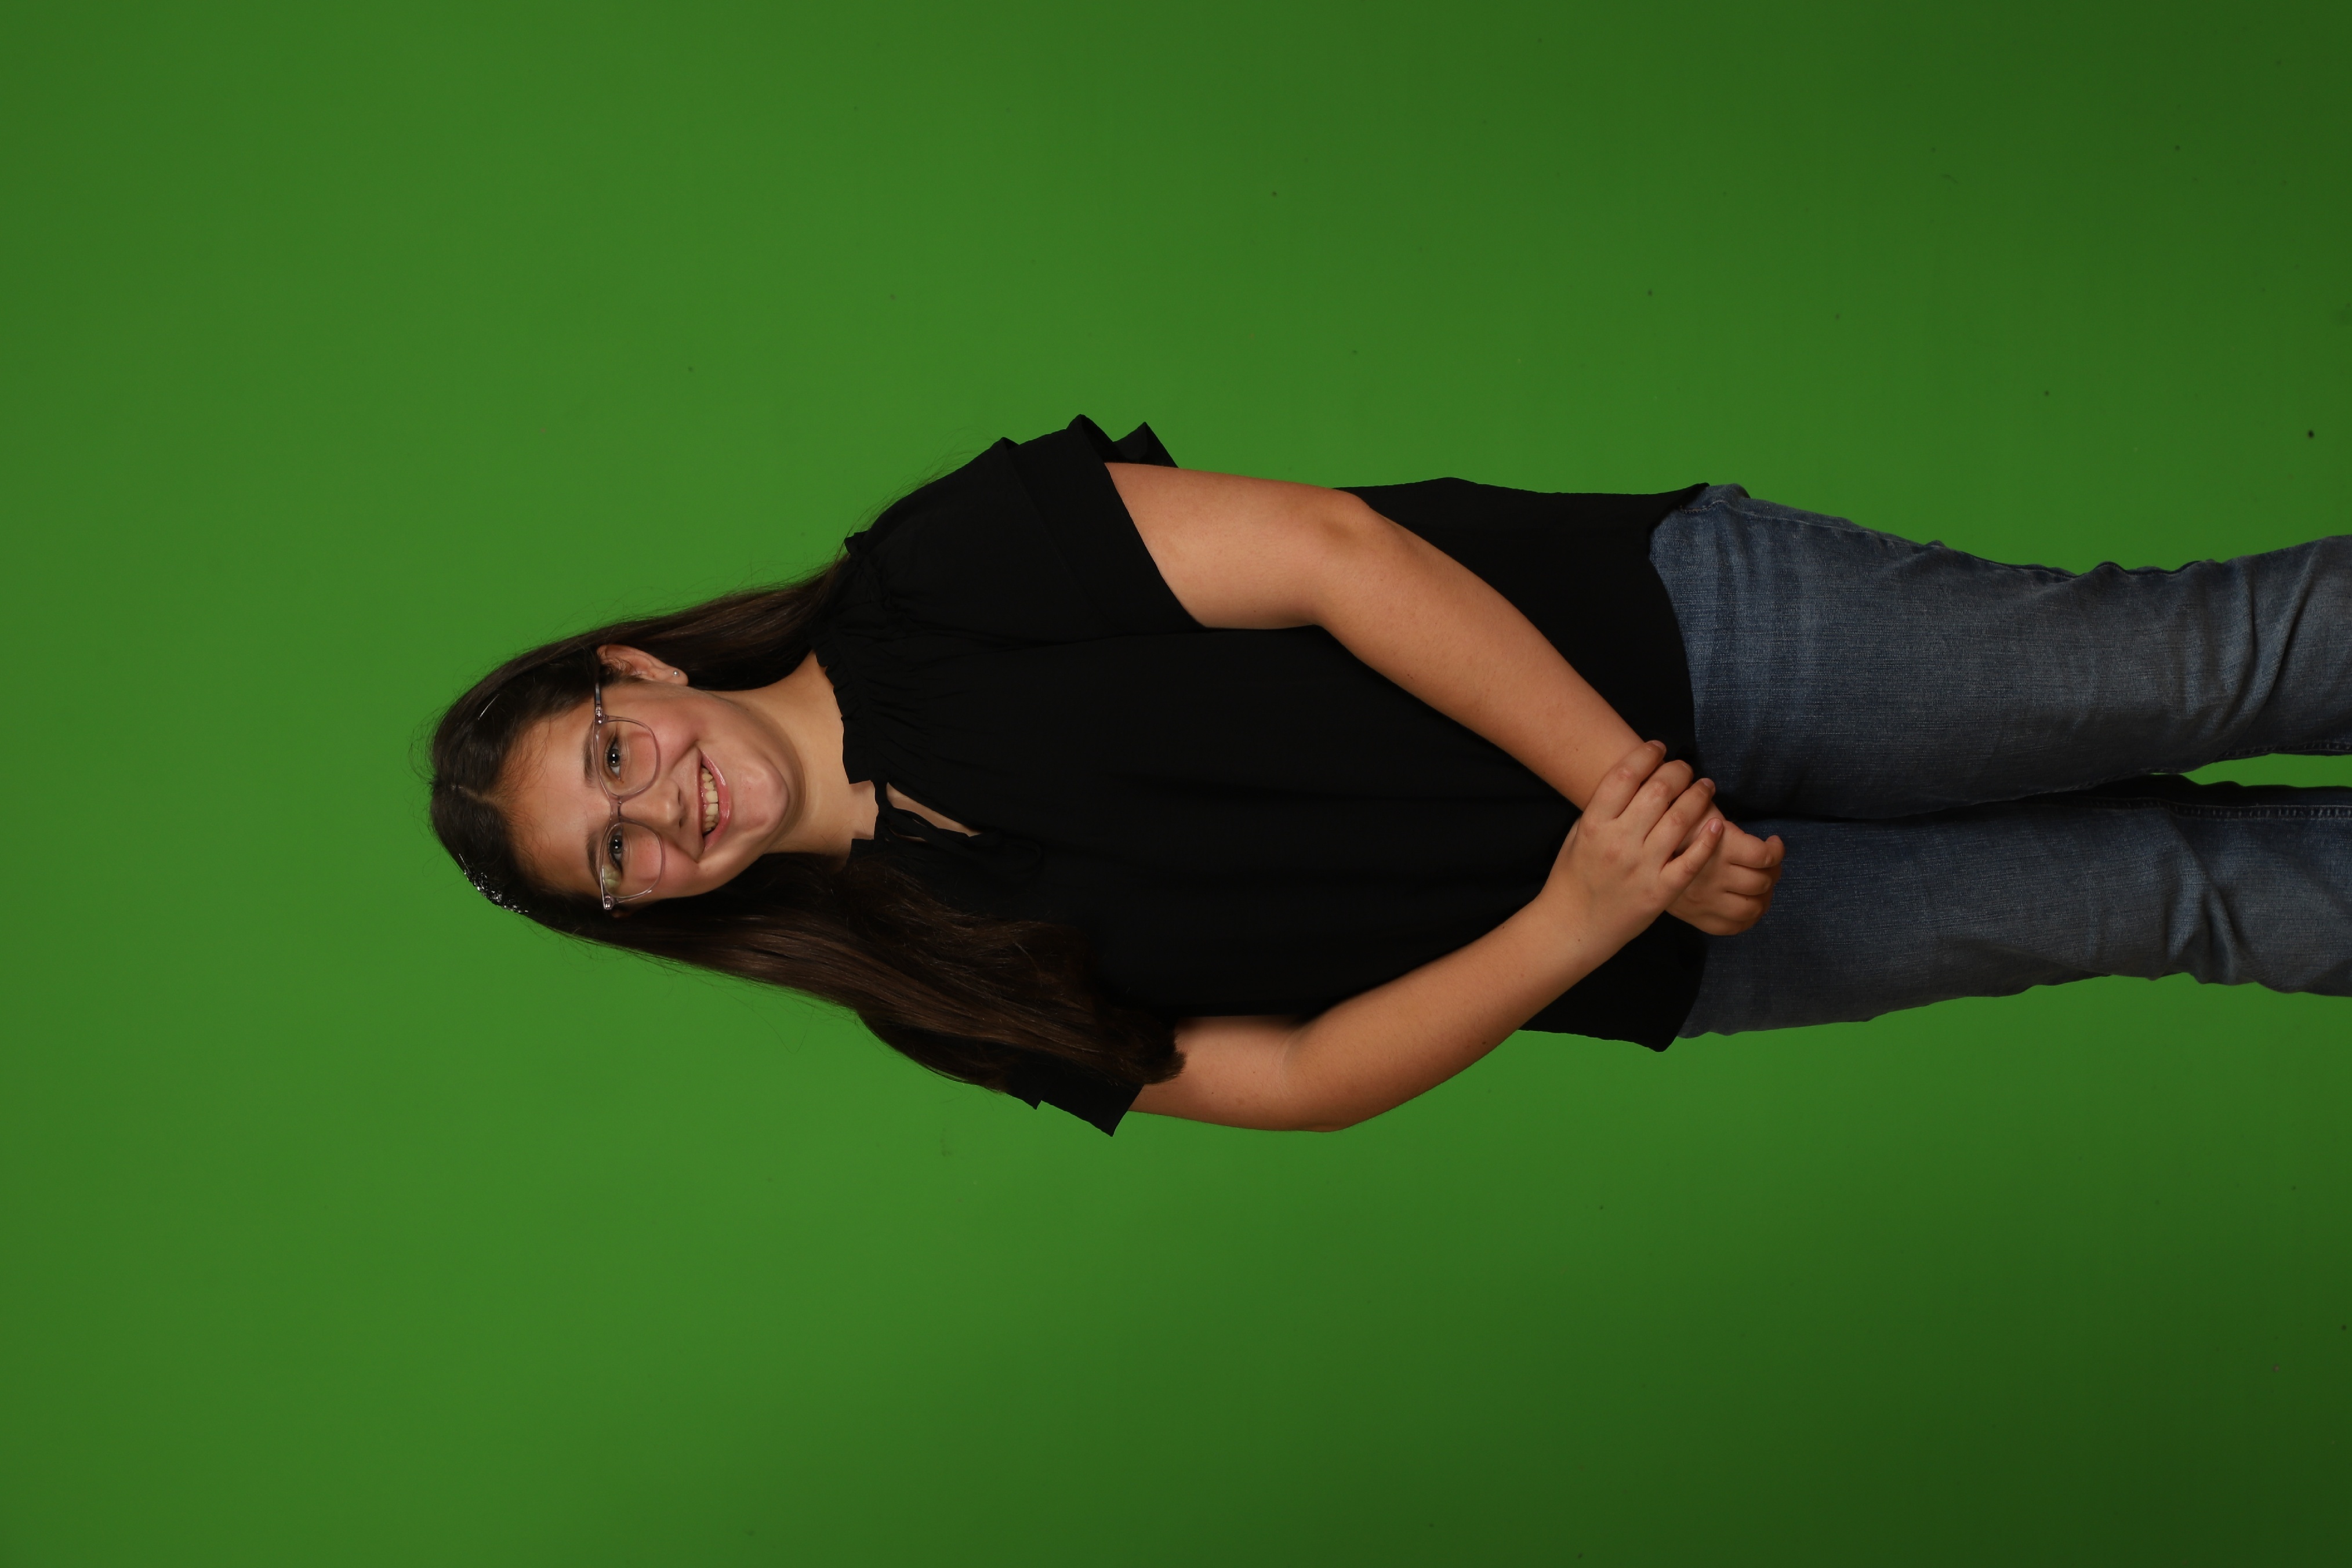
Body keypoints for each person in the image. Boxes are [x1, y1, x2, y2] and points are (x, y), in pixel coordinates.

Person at [429, 418, 2352, 1135]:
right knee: (2171, 900)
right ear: (646, 911)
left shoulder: (940, 574)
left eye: (613, 756)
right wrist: (1588, 913)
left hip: (1688, 647)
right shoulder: (926, 986)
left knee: (2196, 666)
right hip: (1679, 941)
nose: (660, 811)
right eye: (616, 856)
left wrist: (1624, 798)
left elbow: (1333, 553)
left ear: (637, 672)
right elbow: (1290, 1079)